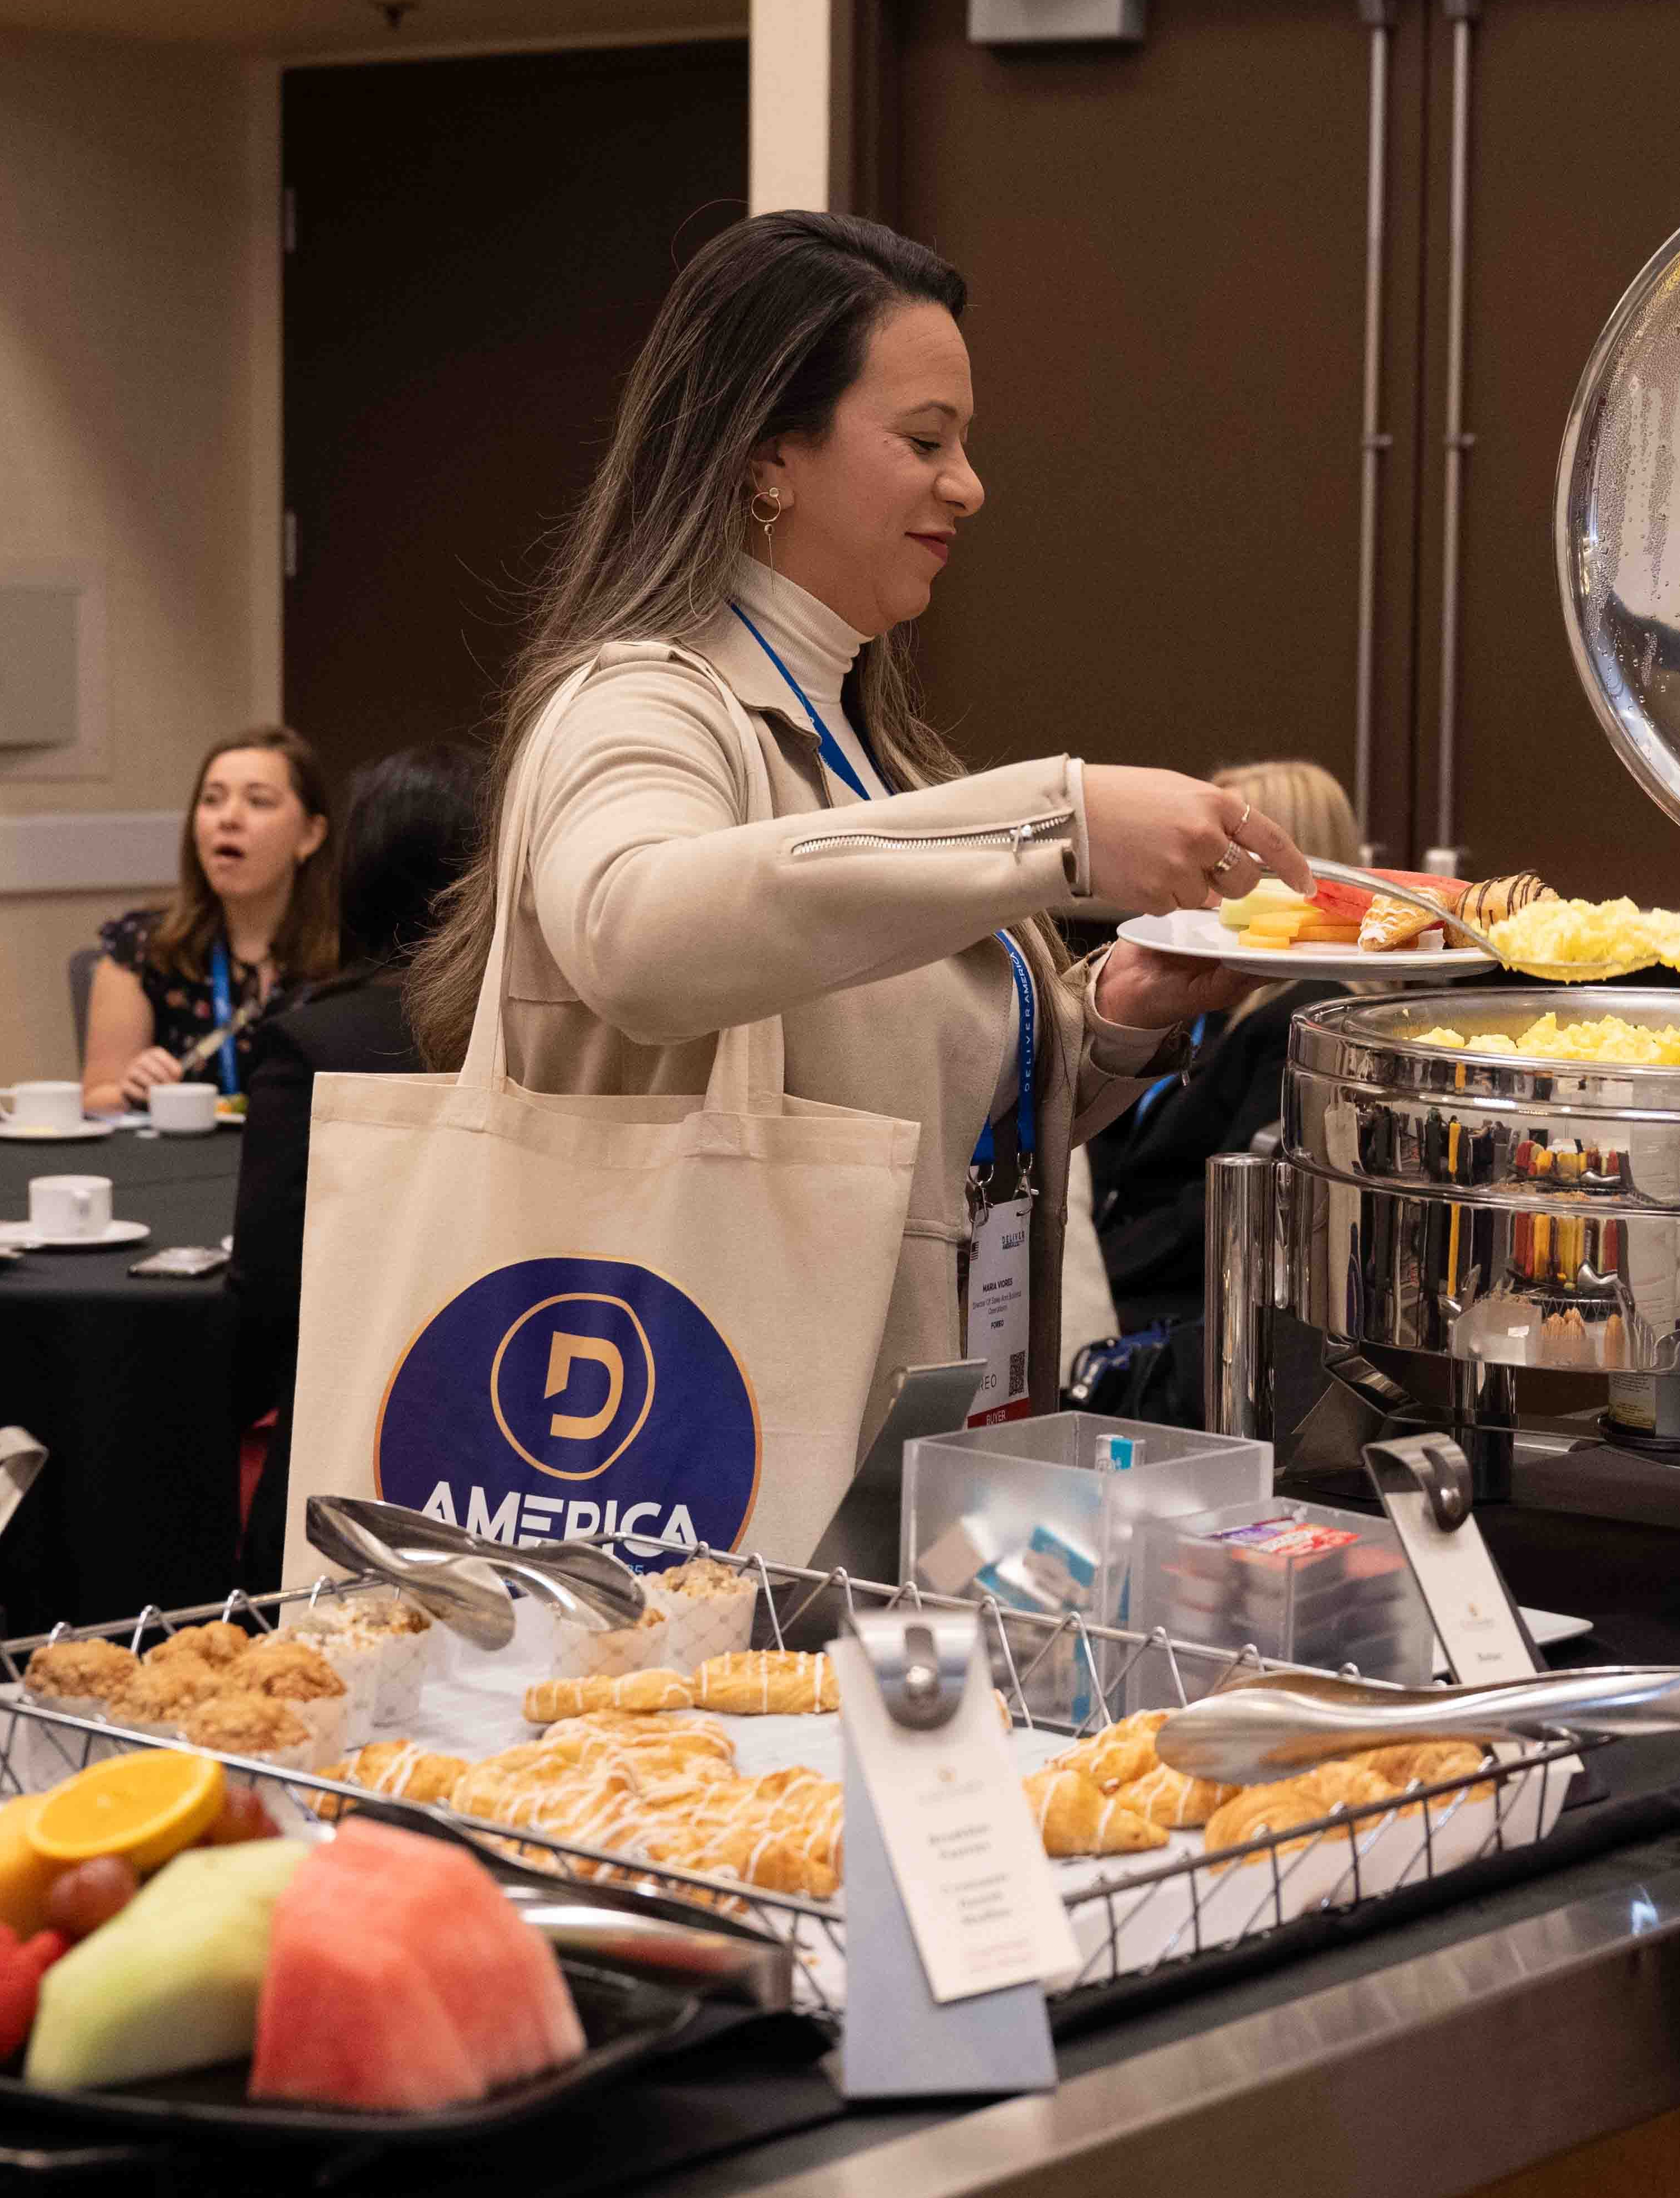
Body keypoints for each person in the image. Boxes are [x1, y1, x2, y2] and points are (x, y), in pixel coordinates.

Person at [401, 208, 1305, 1430]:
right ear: (770, 453)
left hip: (892, 1429)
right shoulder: (643, 699)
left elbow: (930, 1123)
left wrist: (1121, 1017)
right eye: (926, 440)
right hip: (696, 1450)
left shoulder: (869, 751)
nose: (970, 487)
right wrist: (1064, 820)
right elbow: (630, 933)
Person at [229, 739, 488, 1586]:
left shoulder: (317, 1045)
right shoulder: (548, 1040)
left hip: (348, 1463)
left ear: (358, 874)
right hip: (511, 1450)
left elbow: (265, 1300)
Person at [1085, 756, 1360, 1331]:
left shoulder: (1305, 1018)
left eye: (1217, 863)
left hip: (1181, 1311)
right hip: (1118, 1273)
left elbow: (1223, 1210)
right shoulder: (1207, 990)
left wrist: (1093, 1270)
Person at [86, 728, 335, 1115]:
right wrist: (131, 1092)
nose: (228, 819)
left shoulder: (351, 953)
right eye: (212, 800)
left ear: (310, 835)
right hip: (178, 1170)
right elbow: (96, 1101)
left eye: (259, 802)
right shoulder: (143, 946)